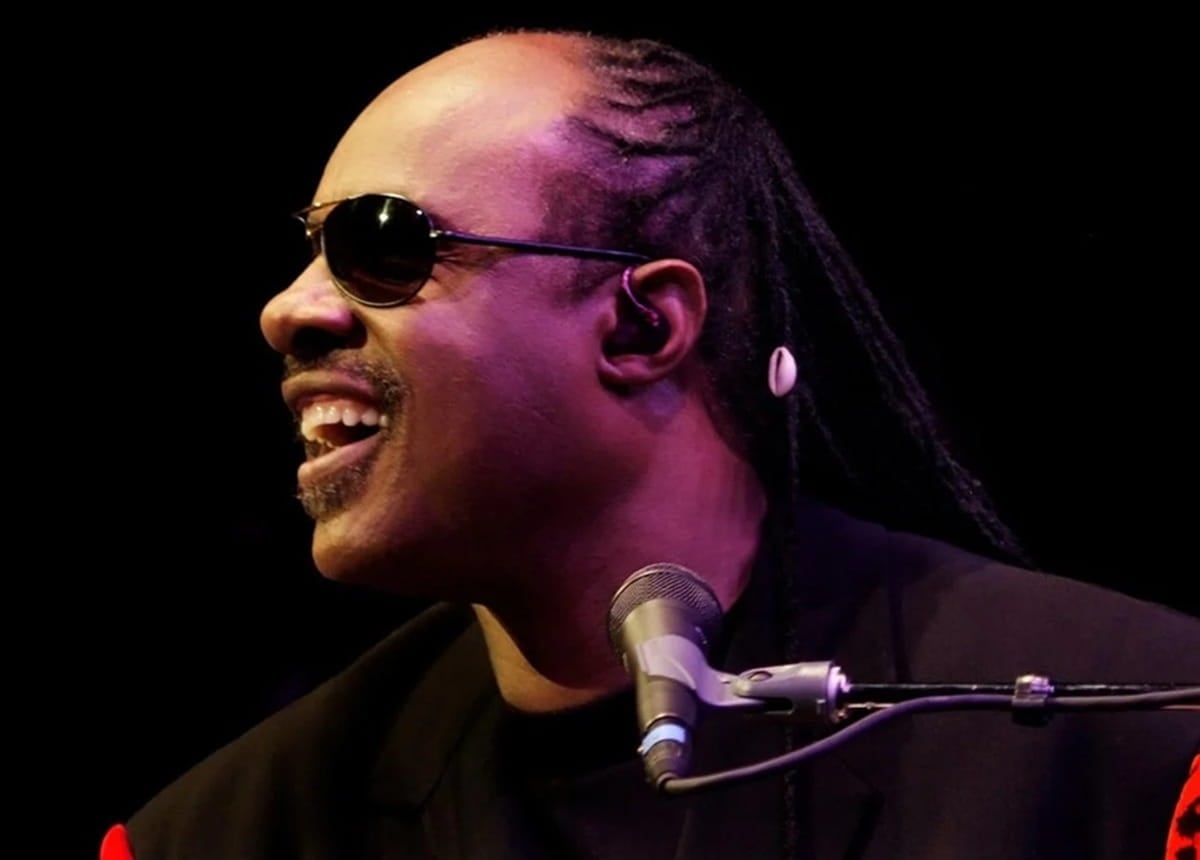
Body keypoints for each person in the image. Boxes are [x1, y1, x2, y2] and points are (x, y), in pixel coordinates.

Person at [102, 29, 1198, 859]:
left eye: (382, 244)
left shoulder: (1138, 743)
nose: (288, 310)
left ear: (641, 325)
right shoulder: (220, 835)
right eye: (309, 250)